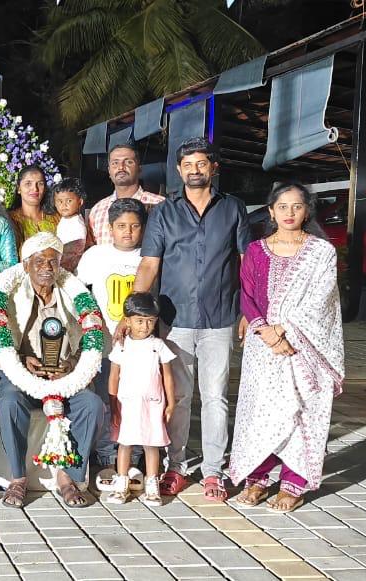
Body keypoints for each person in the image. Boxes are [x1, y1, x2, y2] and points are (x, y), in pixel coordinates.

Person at [127, 137, 250, 502]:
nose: (195, 170)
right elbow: (149, 264)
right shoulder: (164, 213)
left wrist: (250, 311)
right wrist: (131, 312)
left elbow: (246, 262)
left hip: (220, 318)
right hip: (174, 319)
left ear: (214, 167)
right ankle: (175, 467)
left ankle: (213, 472)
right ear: (179, 170)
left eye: (201, 163)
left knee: (215, 398)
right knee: (177, 397)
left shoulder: (233, 208)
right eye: (188, 165)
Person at [229, 183, 344, 513]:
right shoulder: (255, 250)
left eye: (296, 206)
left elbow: (321, 299)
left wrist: (283, 329)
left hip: (303, 343)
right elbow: (246, 294)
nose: (289, 213)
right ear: (271, 211)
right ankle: (257, 478)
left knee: (302, 411)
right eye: (282, 206)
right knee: (261, 411)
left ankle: (294, 483)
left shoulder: (321, 252)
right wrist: (265, 331)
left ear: (307, 211)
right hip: (262, 343)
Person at [0, 233, 105, 509]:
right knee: (9, 401)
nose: (47, 267)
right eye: (39, 261)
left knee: (92, 405)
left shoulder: (72, 295)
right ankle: (18, 478)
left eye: (53, 261)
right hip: (22, 374)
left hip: (64, 378)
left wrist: (71, 365)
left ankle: (69, 477)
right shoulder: (11, 296)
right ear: (25, 265)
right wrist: (23, 360)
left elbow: (90, 339)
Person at [77, 198, 149, 492]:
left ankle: (135, 458)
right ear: (110, 228)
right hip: (107, 344)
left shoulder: (150, 256)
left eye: (134, 226)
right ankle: (107, 457)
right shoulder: (96, 256)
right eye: (121, 226)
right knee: (109, 400)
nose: (128, 232)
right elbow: (78, 294)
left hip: (141, 348)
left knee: (139, 401)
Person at [106, 292, 176, 506]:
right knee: (125, 443)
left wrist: (171, 403)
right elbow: (113, 377)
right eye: (139, 321)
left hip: (153, 403)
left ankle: (152, 484)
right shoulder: (122, 346)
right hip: (127, 404)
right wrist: (114, 405)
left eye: (150, 321)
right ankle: (121, 483)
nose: (145, 326)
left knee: (151, 443)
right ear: (127, 321)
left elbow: (167, 376)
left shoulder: (158, 345)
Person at [86, 144, 165, 246]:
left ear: (139, 169)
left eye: (128, 162)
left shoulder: (160, 205)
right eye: (115, 163)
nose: (121, 167)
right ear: (109, 171)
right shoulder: (97, 210)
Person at [7, 164, 58, 244]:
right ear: (19, 188)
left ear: (45, 188)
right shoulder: (9, 220)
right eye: (28, 184)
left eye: (40, 184)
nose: (35, 189)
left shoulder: (56, 218)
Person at [52, 178, 89, 272]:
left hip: (69, 269)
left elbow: (75, 254)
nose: (64, 205)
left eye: (69, 201)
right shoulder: (64, 219)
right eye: (60, 201)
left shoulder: (77, 224)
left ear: (80, 202)